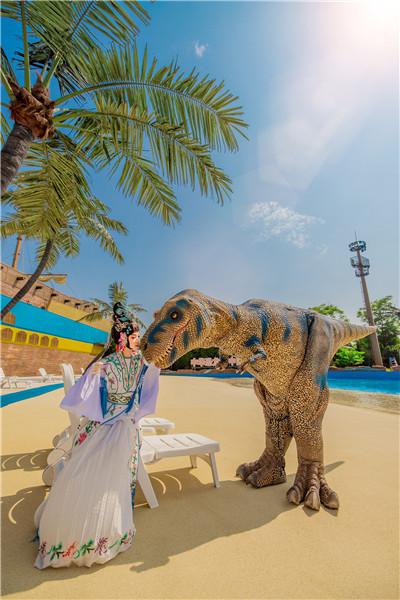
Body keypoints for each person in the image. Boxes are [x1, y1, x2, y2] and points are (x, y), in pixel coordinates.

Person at [34, 303, 160, 569]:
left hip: (115, 424)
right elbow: (97, 393)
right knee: (102, 470)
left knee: (95, 467)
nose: (138, 340)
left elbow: (147, 379)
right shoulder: (114, 364)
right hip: (116, 426)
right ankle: (90, 533)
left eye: (138, 336)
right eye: (135, 336)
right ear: (123, 338)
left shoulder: (127, 362)